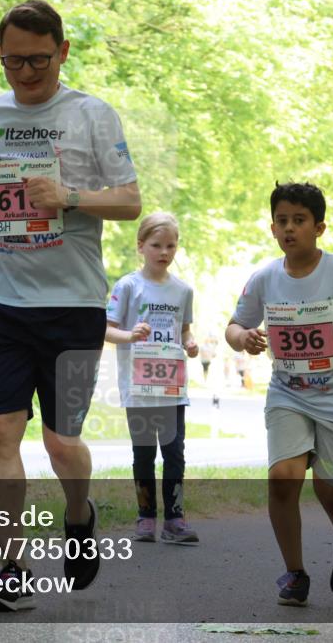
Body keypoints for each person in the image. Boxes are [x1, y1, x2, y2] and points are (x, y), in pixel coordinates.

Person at [0, 0, 141, 611]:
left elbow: (129, 201)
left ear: (62, 52)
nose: (24, 73)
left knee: (61, 443)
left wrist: (68, 197)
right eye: (13, 61)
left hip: (73, 305)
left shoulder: (92, 114)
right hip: (1, 301)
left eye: (38, 61)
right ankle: (12, 567)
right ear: (0, 56)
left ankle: (78, 513)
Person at [226, 182, 333, 607]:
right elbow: (233, 326)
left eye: (299, 220)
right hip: (288, 394)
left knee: (330, 492)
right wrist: (243, 337)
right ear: (272, 228)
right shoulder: (264, 278)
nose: (289, 228)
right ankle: (295, 573)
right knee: (283, 478)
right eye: (282, 221)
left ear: (319, 228)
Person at [105, 213, 200, 545]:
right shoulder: (128, 286)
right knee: (144, 453)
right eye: (157, 245)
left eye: (170, 246)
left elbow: (184, 330)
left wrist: (190, 343)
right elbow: (106, 330)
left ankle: (175, 519)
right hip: (139, 386)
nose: (164, 252)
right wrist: (131, 335)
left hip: (172, 387)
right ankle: (145, 517)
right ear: (141, 246)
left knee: (174, 453)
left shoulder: (183, 290)